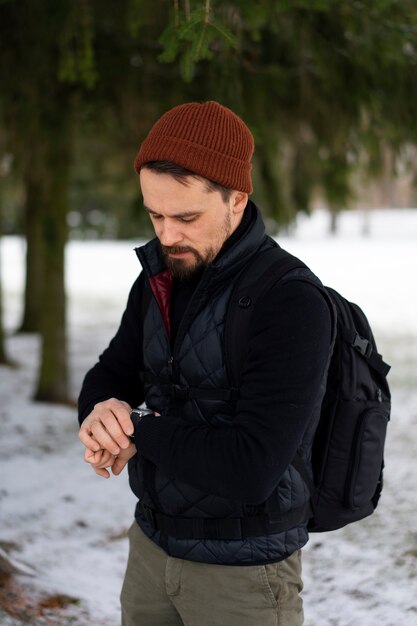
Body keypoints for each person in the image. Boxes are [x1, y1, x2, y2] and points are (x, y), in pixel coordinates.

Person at [78, 101, 332, 626]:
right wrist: (99, 414)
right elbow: (111, 374)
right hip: (149, 552)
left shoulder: (291, 300)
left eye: (186, 217)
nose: (167, 236)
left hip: (244, 578)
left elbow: (251, 466)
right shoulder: (157, 280)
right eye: (155, 215)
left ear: (237, 199)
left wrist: (138, 428)